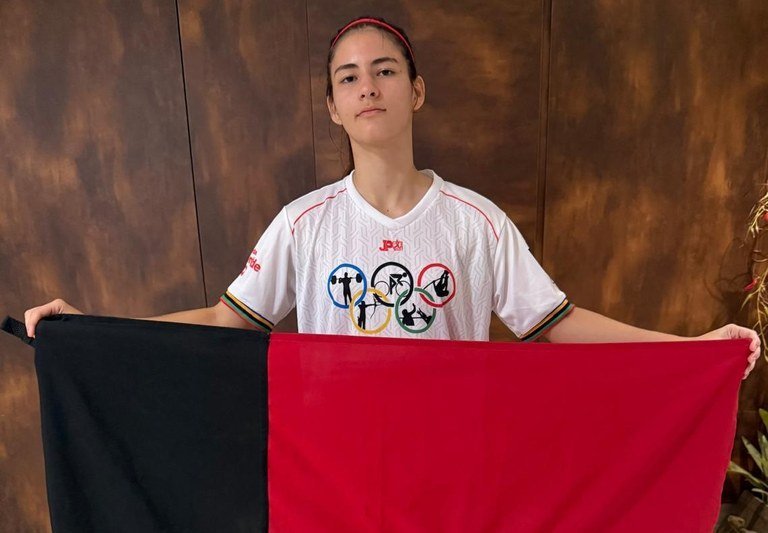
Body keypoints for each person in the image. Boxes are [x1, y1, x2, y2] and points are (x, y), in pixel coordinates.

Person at [23, 16, 760, 378]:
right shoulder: (304, 224)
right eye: (348, 77)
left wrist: (691, 350)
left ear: (416, 91)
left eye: (384, 70)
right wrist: (88, 327)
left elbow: (556, 324)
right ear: (333, 107)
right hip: (332, 466)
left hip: (450, 464)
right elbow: (225, 319)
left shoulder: (476, 223)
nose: (367, 86)